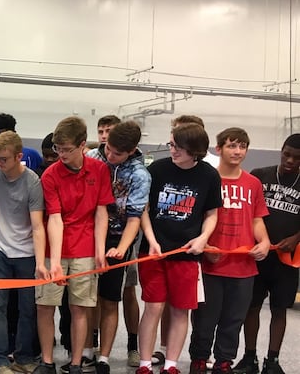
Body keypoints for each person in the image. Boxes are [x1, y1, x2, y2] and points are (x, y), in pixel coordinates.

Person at [136, 123, 223, 374]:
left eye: (177, 147)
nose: (172, 150)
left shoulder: (208, 175)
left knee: (180, 310)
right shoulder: (158, 170)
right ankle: (144, 364)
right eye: (171, 144)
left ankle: (171, 364)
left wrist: (203, 238)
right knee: (152, 307)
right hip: (153, 252)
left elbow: (211, 213)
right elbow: (144, 210)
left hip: (186, 254)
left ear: (194, 150)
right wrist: (151, 239)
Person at [188, 128, 271, 374]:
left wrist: (264, 241)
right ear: (219, 149)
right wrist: (204, 248)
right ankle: (199, 359)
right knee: (205, 319)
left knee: (233, 320)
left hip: (243, 268)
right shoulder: (208, 179)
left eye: (242, 146)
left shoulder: (253, 183)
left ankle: (225, 361)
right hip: (212, 264)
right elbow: (197, 218)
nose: (237, 151)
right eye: (232, 146)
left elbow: (257, 219)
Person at [35, 116, 113, 374]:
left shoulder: (99, 170)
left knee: (80, 307)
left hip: (86, 248)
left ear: (83, 145)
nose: (61, 155)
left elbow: (101, 213)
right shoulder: (50, 175)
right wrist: (54, 263)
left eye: (67, 149)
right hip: (53, 249)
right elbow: (54, 219)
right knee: (46, 306)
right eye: (58, 149)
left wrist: (100, 251)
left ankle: (77, 362)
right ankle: (47, 361)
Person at [86, 120, 151, 374]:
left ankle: (104, 356)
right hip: (87, 234)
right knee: (88, 298)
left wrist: (122, 248)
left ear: (132, 150)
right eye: (109, 149)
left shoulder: (140, 174)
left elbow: (135, 217)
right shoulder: (93, 156)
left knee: (110, 298)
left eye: (118, 153)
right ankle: (88, 348)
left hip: (118, 238)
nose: (110, 156)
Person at [232, 134, 300, 374]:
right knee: (251, 306)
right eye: (286, 154)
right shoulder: (260, 175)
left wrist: (296, 238)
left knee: (279, 309)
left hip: (287, 260)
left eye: (296, 157)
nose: (290, 160)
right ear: (281, 151)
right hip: (257, 255)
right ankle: (249, 358)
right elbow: (246, 211)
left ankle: (273, 360)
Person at [0, 131, 45, 374]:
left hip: (26, 253)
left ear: (19, 157)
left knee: (28, 308)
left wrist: (40, 260)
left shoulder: (32, 182)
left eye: (4, 159)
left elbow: (38, 225)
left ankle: (24, 358)